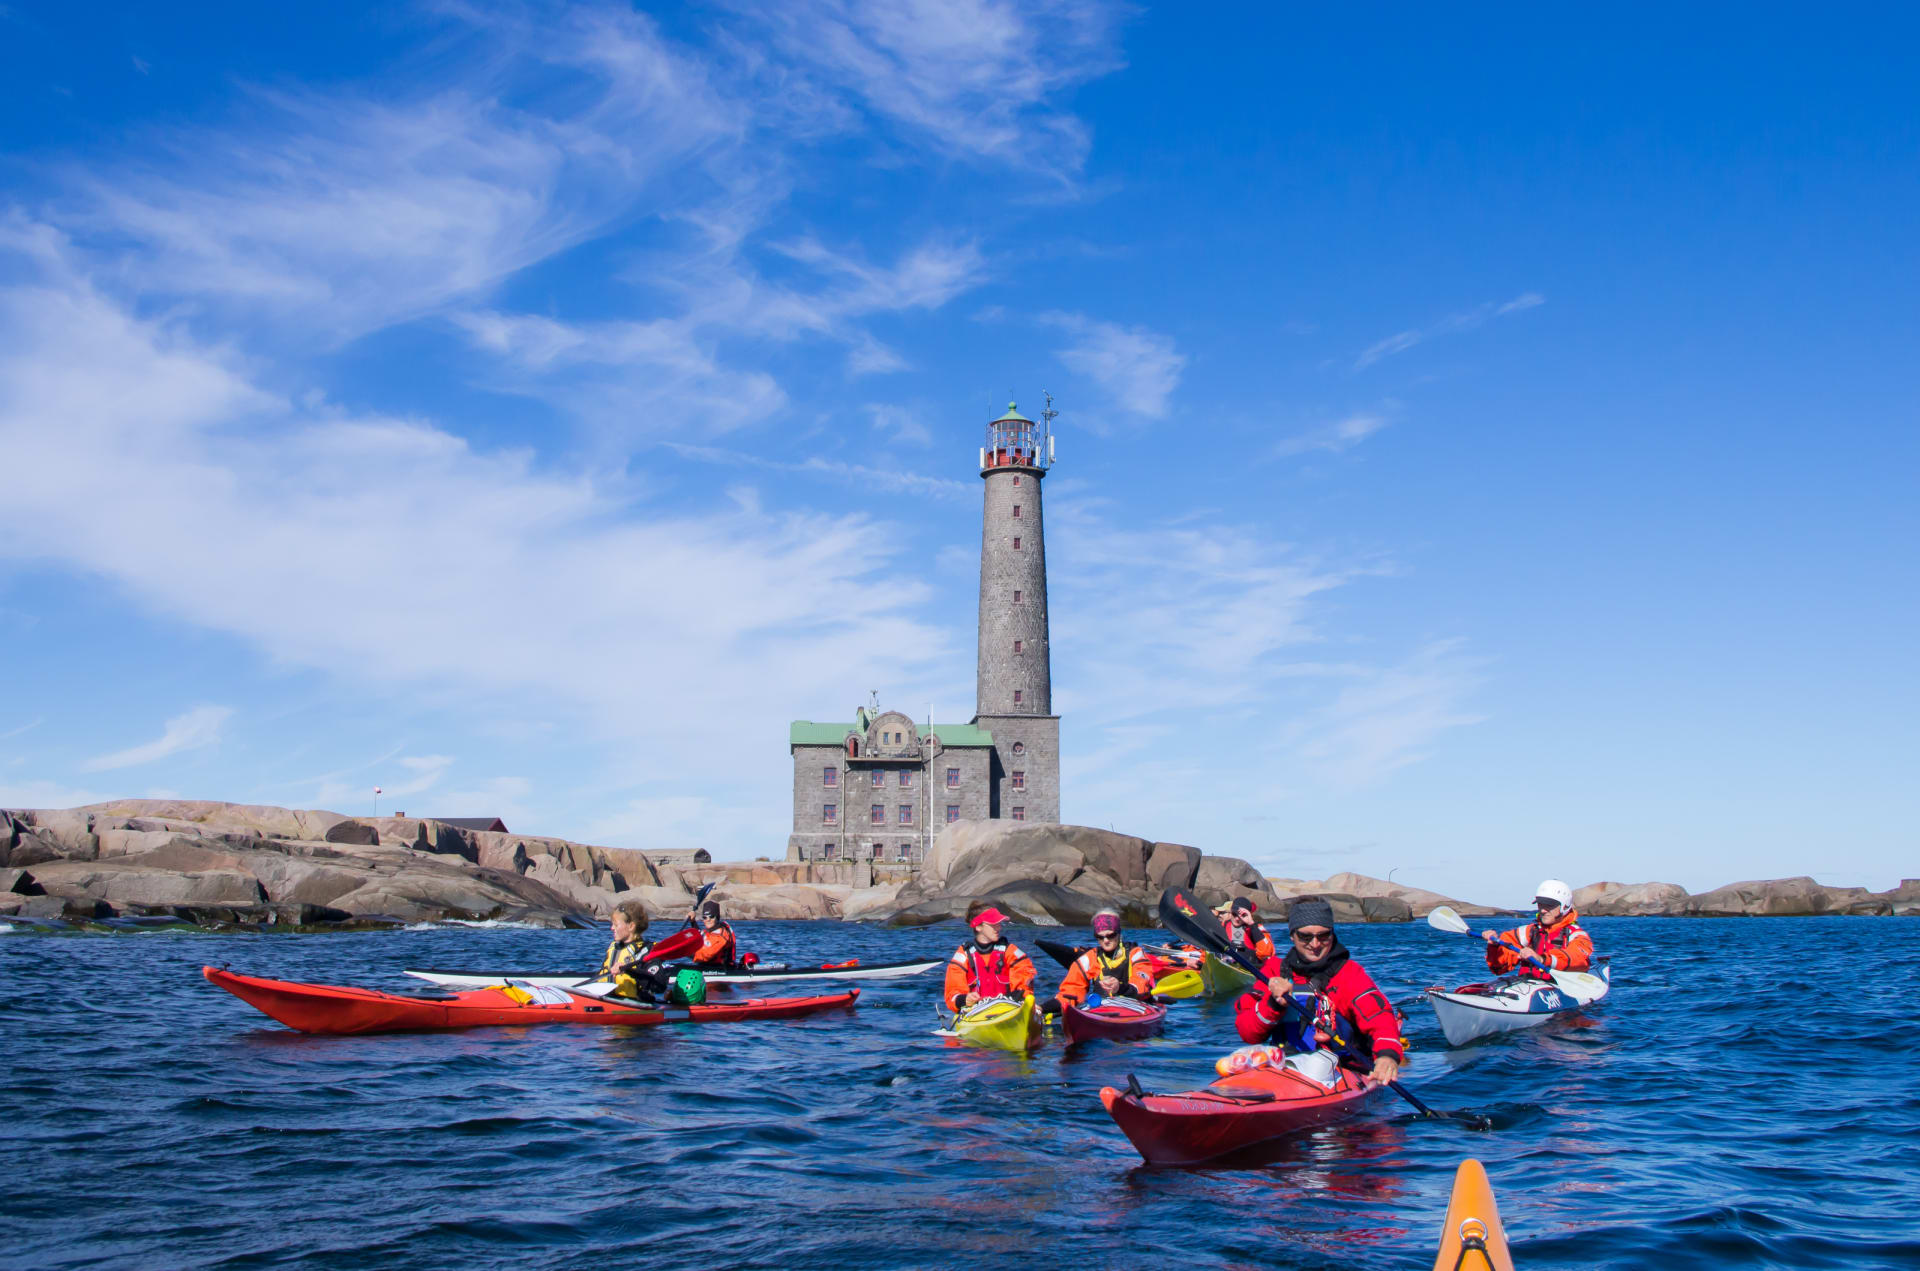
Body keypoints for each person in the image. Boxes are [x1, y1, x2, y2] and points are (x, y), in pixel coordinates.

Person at [1234, 896, 1407, 1090]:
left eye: (1323, 936)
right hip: (1287, 1068)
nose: (1315, 944)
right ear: (1292, 935)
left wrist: (1387, 1056)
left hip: (1343, 1069)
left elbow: (1379, 1018)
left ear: (1332, 934)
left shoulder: (1349, 974)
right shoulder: (1273, 972)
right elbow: (1247, 1033)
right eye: (1305, 937)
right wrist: (1273, 1004)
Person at [1042, 909, 1154, 1017]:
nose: (1105, 940)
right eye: (1100, 937)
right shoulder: (1090, 957)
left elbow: (1142, 984)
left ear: (1118, 933)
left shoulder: (1135, 953)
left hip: (1134, 1006)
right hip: (1101, 1008)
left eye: (1110, 935)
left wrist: (1119, 988)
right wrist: (1042, 1008)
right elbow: (1071, 990)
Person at [1482, 879, 1593, 979]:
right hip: (1529, 985)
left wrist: (1541, 959)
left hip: (1560, 986)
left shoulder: (1577, 935)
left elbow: (1577, 959)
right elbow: (1498, 968)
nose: (1543, 910)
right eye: (1541, 905)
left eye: (1549, 905)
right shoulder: (1527, 932)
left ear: (1565, 906)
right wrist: (1494, 946)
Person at [943, 903, 1036, 1012]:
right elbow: (952, 994)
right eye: (993, 924)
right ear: (978, 927)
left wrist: (1019, 997)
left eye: (999, 923)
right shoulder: (963, 954)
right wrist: (965, 999)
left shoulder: (1010, 951)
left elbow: (1024, 978)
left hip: (1009, 1009)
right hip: (976, 1012)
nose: (998, 928)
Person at [598, 900, 673, 1001]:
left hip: (635, 1004)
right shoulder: (614, 948)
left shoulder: (647, 951)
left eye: (616, 925)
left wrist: (629, 970)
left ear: (631, 926)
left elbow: (659, 986)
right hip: (608, 999)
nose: (611, 928)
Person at [1221, 896, 1276, 962]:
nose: (1237, 918)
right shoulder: (1223, 925)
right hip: (1226, 964)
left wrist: (1252, 924)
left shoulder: (1257, 929)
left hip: (1249, 967)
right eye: (1234, 914)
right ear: (1231, 911)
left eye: (1242, 916)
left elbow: (1267, 954)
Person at [688, 899, 737, 969]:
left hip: (721, 969)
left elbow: (705, 955)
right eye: (705, 917)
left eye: (711, 916)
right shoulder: (711, 931)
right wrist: (693, 921)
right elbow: (700, 936)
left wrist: (685, 952)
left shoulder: (721, 936)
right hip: (708, 966)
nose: (708, 920)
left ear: (717, 917)